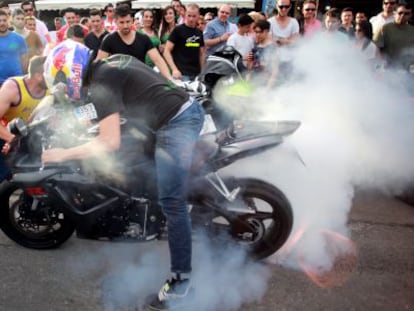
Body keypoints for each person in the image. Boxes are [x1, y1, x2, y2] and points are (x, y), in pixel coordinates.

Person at [41, 39, 204, 311]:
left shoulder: (101, 85)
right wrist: (69, 120)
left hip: (176, 123)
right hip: (176, 112)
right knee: (134, 158)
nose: (61, 86)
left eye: (60, 79)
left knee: (173, 203)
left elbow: (108, 142)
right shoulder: (111, 63)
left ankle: (180, 284)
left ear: (71, 71)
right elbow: (113, 106)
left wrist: (62, 154)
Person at [97, 5, 172, 79]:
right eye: (122, 22)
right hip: (118, 84)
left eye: (128, 22)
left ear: (132, 20)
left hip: (139, 82)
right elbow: (99, 63)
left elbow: (157, 60)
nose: (125, 26)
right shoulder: (109, 40)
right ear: (116, 22)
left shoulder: (143, 39)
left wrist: (170, 79)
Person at [163, 3, 205, 81]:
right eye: (189, 15)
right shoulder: (178, 30)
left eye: (194, 16)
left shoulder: (199, 32)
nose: (191, 19)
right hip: (181, 74)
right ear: (185, 14)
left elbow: (202, 53)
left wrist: (203, 71)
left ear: (198, 15)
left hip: (196, 74)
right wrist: (174, 69)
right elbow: (166, 51)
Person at [373, 3, 414, 69]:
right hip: (390, 69)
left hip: (408, 69)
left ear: (411, 15)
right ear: (395, 14)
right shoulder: (384, 28)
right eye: (400, 13)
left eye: (406, 14)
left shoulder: (412, 30)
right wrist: (381, 64)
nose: (402, 16)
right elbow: (376, 48)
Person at [0, 10, 28, 87]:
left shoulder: (19, 39)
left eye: (4, 20)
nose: (2, 23)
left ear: (8, 21)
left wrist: (21, 75)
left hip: (17, 81)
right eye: (0, 21)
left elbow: (25, 60)